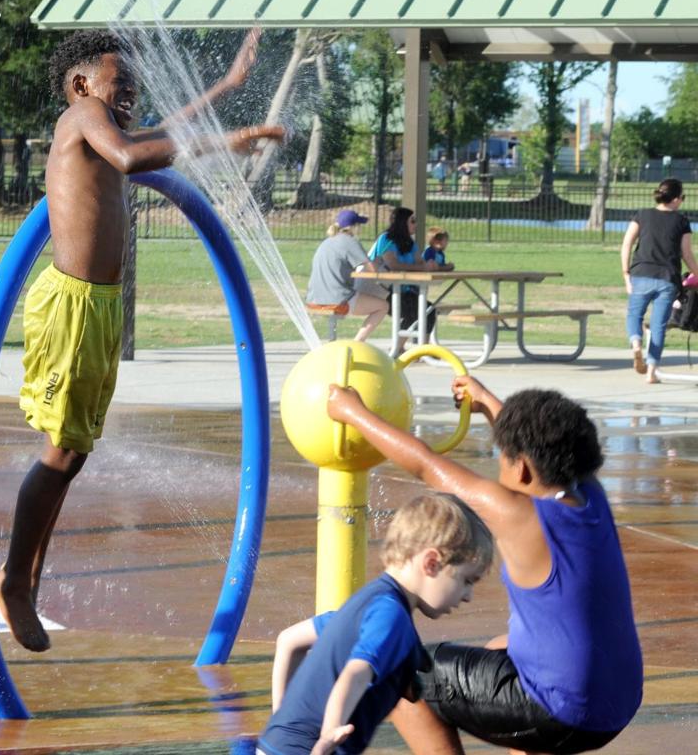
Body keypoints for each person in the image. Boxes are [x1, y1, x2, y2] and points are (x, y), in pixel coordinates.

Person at [0, 30, 286, 652]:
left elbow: (163, 132)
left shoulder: (100, 123)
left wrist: (229, 85)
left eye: (133, 87)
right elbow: (130, 156)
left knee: (74, 452)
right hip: (72, 306)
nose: (130, 95)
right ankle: (13, 578)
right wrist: (227, 141)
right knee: (60, 450)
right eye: (120, 84)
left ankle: (25, 580)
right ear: (81, 85)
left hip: (99, 308)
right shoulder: (82, 118)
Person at [326, 376, 642, 755]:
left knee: (400, 670)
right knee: (499, 648)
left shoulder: (521, 515)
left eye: (502, 456)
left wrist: (353, 412)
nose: (500, 465)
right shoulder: (590, 493)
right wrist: (487, 401)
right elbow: (540, 446)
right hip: (615, 704)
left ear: (521, 468)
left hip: (564, 713)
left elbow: (427, 465)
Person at [260, 493, 493, 755]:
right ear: (431, 563)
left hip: (280, 745)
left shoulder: (368, 602)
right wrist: (327, 738)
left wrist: (280, 723)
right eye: (466, 581)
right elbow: (355, 673)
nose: (468, 596)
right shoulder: (391, 617)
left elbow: (289, 640)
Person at [620, 177, 698, 384]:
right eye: (682, 197)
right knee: (658, 325)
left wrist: (626, 274)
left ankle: (636, 344)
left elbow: (626, 244)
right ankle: (651, 372)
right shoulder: (681, 221)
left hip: (641, 274)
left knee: (634, 315)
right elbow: (687, 254)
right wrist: (697, 274)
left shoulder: (642, 215)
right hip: (667, 279)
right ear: (676, 198)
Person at [367, 208, 451, 351]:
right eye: (412, 221)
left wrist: (438, 266)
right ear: (402, 222)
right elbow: (392, 264)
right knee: (422, 310)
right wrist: (422, 267)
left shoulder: (410, 243)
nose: (416, 224)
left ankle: (414, 350)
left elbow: (421, 263)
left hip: (403, 290)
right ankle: (414, 350)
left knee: (427, 310)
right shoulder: (386, 239)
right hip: (383, 292)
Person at [306, 210, 389, 342]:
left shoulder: (326, 242)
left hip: (314, 299)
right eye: (359, 226)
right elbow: (372, 270)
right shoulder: (350, 241)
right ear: (353, 227)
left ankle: (336, 342)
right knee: (383, 306)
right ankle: (357, 343)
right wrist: (379, 261)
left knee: (359, 294)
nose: (360, 229)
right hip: (337, 300)